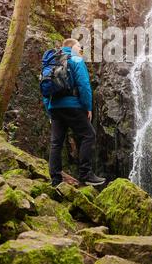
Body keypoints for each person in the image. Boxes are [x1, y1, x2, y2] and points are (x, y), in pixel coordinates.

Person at [43, 38, 106, 187]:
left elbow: (45, 89)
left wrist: (49, 111)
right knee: (88, 134)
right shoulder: (76, 59)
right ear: (72, 47)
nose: (81, 49)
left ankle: (55, 179)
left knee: (56, 142)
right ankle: (86, 174)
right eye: (79, 46)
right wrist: (87, 107)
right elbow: (84, 85)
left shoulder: (52, 61)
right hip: (72, 105)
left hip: (55, 107)